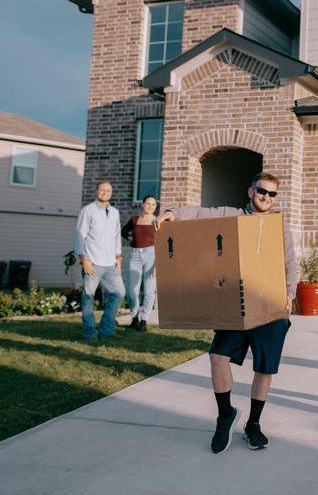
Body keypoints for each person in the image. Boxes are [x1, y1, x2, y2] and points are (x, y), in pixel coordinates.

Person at [155, 172, 297, 454]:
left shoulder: (278, 226)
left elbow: (291, 263)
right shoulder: (230, 215)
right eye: (261, 191)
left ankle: (254, 424)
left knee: (264, 368)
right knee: (218, 357)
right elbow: (198, 213)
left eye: (271, 194)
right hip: (236, 304)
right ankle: (225, 414)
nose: (266, 197)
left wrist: (289, 296)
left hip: (269, 306)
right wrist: (172, 213)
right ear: (250, 191)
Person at [73, 181, 126, 341]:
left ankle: (106, 330)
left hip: (110, 262)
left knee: (119, 293)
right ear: (97, 191)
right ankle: (90, 333)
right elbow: (80, 235)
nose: (105, 192)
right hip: (93, 262)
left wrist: (118, 257)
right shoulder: (88, 210)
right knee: (88, 297)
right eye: (102, 189)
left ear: (111, 193)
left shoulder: (115, 212)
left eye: (108, 190)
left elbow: (117, 236)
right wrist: (84, 260)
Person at [121, 195, 158, 332]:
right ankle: (135, 317)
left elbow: (162, 243)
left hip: (152, 255)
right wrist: (132, 240)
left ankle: (144, 320)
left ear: (156, 207)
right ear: (142, 204)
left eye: (153, 205)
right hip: (135, 255)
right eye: (148, 203)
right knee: (132, 291)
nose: (150, 206)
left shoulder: (157, 222)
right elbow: (124, 232)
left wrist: (157, 264)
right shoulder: (135, 220)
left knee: (149, 290)